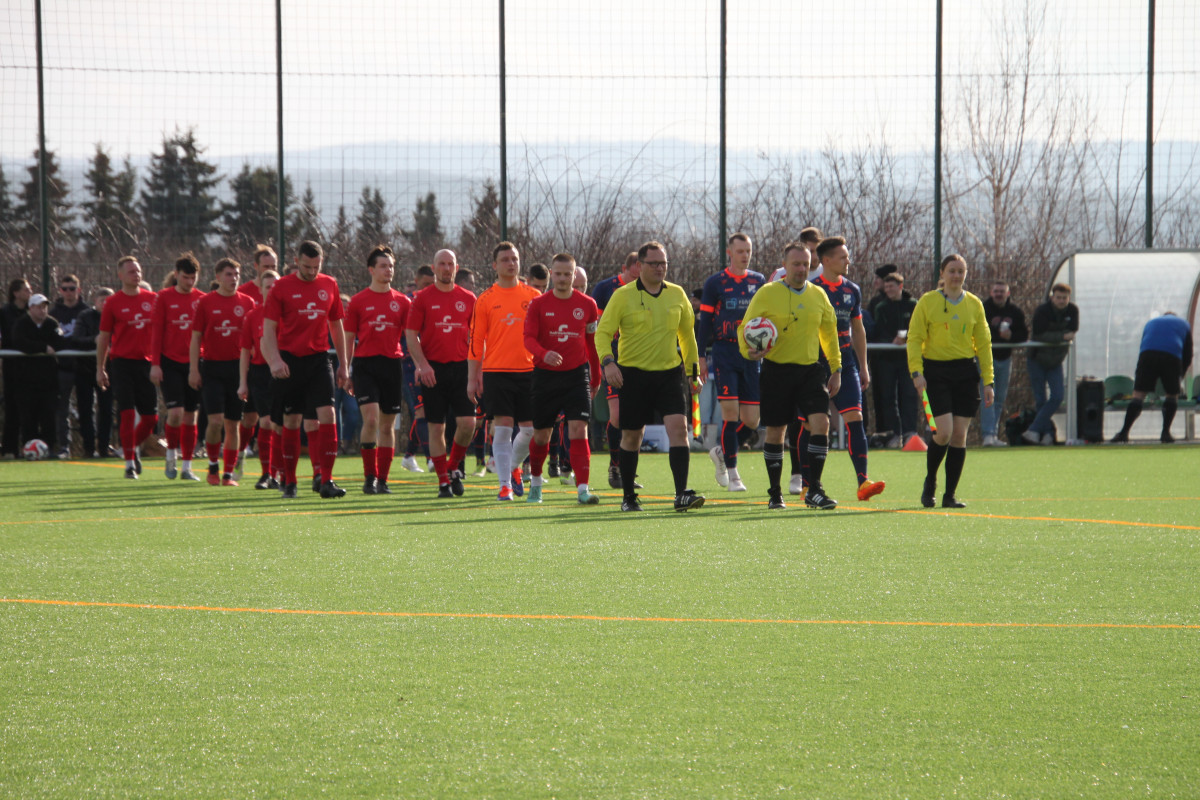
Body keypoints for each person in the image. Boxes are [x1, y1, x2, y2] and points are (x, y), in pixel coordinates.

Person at [595, 241, 704, 512]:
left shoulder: (678, 295)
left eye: (663, 263)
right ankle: (629, 497)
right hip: (633, 375)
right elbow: (603, 333)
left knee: (679, 429)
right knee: (632, 436)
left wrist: (693, 373)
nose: (659, 268)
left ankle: (681, 495)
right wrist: (608, 363)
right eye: (653, 263)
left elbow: (687, 337)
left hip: (668, 375)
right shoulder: (622, 295)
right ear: (639, 266)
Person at [738, 243, 841, 509]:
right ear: (785, 266)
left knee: (821, 424)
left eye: (806, 264)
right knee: (776, 432)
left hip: (811, 370)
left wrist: (836, 368)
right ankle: (775, 493)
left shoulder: (818, 295)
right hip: (776, 371)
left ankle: (814, 490)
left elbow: (829, 334)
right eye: (796, 264)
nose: (801, 269)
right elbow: (745, 327)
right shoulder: (768, 293)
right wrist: (748, 351)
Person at [261, 240, 351, 499]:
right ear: (296, 261)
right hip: (289, 361)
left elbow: (337, 327)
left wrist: (344, 364)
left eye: (316, 266)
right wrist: (275, 361)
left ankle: (326, 479)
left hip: (319, 359)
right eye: (307, 266)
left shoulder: (329, 284)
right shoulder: (281, 287)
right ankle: (289, 482)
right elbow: (268, 330)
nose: (312, 272)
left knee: (328, 414)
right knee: (291, 420)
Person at [907, 254, 994, 508]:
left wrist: (988, 381)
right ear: (942, 274)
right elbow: (914, 338)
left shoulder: (975, 304)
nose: (956, 276)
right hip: (935, 373)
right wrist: (916, 371)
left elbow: (984, 344)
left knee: (959, 436)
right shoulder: (928, 301)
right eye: (952, 271)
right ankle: (931, 481)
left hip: (965, 373)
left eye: (960, 271)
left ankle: (950, 495)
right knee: (942, 432)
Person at [808, 236, 885, 501]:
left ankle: (863, 482)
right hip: (815, 364)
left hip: (847, 363)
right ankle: (808, 483)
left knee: (855, 420)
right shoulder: (811, 289)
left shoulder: (852, 289)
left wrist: (864, 367)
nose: (848, 261)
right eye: (843, 257)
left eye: (847, 256)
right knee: (810, 425)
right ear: (826, 261)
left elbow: (858, 329)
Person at [523, 253, 602, 504]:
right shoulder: (538, 304)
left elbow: (592, 343)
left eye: (568, 274)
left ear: (574, 274)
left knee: (579, 429)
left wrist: (596, 375)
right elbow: (528, 339)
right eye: (558, 274)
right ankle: (535, 482)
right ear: (551, 273)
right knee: (541, 436)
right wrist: (544, 354)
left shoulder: (587, 304)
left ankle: (583, 489)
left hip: (577, 376)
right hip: (545, 377)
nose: (563, 278)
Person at [468, 242, 541, 501]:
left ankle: (511, 467)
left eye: (515, 258)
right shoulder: (486, 299)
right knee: (502, 429)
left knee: (530, 430)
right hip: (496, 371)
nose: (511, 263)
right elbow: (476, 342)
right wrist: (472, 378)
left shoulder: (534, 296)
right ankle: (504, 486)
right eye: (506, 259)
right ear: (495, 265)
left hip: (529, 371)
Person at [405, 248, 478, 498]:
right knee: (436, 428)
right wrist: (422, 365)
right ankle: (443, 481)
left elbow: (478, 337)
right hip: (433, 370)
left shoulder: (469, 298)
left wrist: (477, 371)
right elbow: (410, 334)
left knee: (468, 424)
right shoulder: (422, 298)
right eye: (442, 264)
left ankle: (454, 466)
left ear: (456, 267)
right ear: (434, 268)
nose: (447, 268)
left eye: (451, 264)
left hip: (462, 369)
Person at [697, 232, 766, 493]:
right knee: (729, 413)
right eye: (740, 251)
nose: (745, 255)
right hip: (725, 352)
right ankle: (734, 474)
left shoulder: (759, 281)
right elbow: (704, 324)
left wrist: (765, 345)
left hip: (750, 354)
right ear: (730, 252)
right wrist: (701, 356)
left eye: (748, 250)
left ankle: (720, 451)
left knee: (751, 420)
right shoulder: (715, 283)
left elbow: (765, 318)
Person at [345, 245, 411, 494]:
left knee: (387, 425)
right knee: (370, 419)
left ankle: (383, 480)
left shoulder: (402, 302)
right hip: (365, 366)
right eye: (383, 266)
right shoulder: (358, 301)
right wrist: (347, 369)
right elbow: (349, 338)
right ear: (371, 270)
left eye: (391, 266)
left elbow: (412, 336)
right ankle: (369, 477)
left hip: (392, 365)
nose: (388, 270)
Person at [190, 258, 255, 486]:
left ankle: (228, 474)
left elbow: (254, 337)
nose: (234, 278)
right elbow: (196, 336)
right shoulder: (205, 303)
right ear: (218, 277)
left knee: (233, 423)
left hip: (237, 368)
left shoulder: (247, 302)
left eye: (236, 274)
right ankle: (213, 466)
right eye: (229, 274)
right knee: (215, 421)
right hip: (212, 367)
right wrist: (193, 369)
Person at [96, 257, 161, 479]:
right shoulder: (113, 303)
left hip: (147, 364)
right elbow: (104, 338)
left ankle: (130, 448)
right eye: (131, 271)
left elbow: (162, 333)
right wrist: (100, 368)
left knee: (151, 418)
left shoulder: (153, 299)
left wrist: (159, 363)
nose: (136, 274)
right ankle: (129, 464)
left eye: (138, 270)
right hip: (121, 363)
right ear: (120, 275)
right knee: (126, 413)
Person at [150, 253, 206, 481]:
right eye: (185, 277)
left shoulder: (202, 299)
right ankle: (171, 457)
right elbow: (156, 333)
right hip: (170, 362)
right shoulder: (163, 298)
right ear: (176, 275)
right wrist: (155, 364)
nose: (189, 282)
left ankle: (187, 466)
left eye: (193, 278)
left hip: (195, 364)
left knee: (191, 418)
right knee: (175, 413)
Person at [591, 251, 642, 489]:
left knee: (635, 417)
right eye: (636, 273)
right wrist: (602, 360)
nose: (639, 278)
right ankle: (615, 466)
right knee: (618, 415)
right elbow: (596, 329)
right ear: (627, 268)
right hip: (614, 360)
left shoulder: (650, 289)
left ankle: (628, 469)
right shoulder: (605, 289)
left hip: (641, 360)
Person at [1111, 312, 1193, 444]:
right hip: (1171, 355)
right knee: (1172, 395)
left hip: (1148, 355)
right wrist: (1179, 377)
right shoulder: (1184, 324)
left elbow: (1144, 344)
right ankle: (1165, 433)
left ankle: (1124, 432)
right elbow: (1188, 355)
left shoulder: (1151, 322)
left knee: (1138, 396)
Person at [237, 269, 280, 489]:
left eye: (276, 286)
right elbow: (245, 350)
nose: (272, 291)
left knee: (282, 424)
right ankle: (266, 474)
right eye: (268, 287)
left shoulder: (288, 314)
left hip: (284, 372)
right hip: (261, 373)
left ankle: (280, 472)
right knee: (264, 422)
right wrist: (243, 382)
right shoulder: (253, 316)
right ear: (261, 290)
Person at [10, 293, 68, 450]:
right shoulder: (21, 324)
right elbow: (19, 342)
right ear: (31, 308)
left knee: (48, 416)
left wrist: (50, 347)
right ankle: (29, 448)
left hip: (48, 381)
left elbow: (59, 341)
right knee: (28, 418)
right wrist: (43, 347)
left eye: (45, 307)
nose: (43, 310)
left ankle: (48, 449)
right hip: (25, 380)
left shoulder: (51, 323)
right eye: (39, 307)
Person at [1023, 283, 1078, 446]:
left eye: (1064, 298)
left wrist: (1056, 336)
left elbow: (1073, 331)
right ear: (1052, 297)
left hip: (1055, 362)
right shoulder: (1042, 311)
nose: (1061, 301)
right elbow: (1039, 335)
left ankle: (1033, 430)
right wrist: (1062, 336)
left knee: (1057, 396)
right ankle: (1046, 434)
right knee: (1040, 399)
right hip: (1037, 360)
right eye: (1058, 297)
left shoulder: (1072, 311)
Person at [870, 271, 919, 447]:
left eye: (892, 286)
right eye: (886, 286)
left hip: (908, 359)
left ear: (900, 286)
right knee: (888, 398)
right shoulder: (881, 307)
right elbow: (878, 331)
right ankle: (893, 435)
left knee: (909, 395)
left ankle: (910, 433)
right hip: (887, 359)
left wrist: (906, 339)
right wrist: (891, 341)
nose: (888, 289)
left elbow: (918, 327)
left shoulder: (913, 305)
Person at [979, 280, 1028, 446]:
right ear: (991, 292)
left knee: (999, 398)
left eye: (1002, 291)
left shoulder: (1015, 311)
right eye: (996, 291)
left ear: (1008, 293)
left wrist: (1010, 337)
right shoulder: (983, 309)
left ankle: (992, 435)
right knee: (987, 398)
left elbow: (1023, 335)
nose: (999, 294)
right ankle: (987, 435)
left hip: (1005, 359)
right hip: (985, 360)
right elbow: (976, 332)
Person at [49, 274, 90, 458]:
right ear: (60, 290)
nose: (68, 292)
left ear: (79, 290)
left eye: (72, 288)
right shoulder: (54, 313)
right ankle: (64, 447)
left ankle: (91, 448)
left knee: (87, 409)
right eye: (64, 288)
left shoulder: (86, 312)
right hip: (62, 367)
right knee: (61, 408)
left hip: (84, 367)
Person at [71, 286, 115, 458]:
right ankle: (89, 448)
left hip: (109, 369)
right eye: (102, 300)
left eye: (109, 300)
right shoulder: (85, 316)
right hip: (85, 369)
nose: (105, 304)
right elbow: (76, 340)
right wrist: (95, 340)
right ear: (95, 302)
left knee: (106, 409)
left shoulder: (117, 317)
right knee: (85, 410)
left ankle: (104, 447)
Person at [1, 278, 32, 458]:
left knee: (29, 407)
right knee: (12, 407)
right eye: (26, 290)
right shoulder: (5, 312)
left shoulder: (32, 311)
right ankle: (9, 449)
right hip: (12, 366)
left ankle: (29, 447)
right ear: (16, 293)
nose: (29, 292)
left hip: (30, 367)